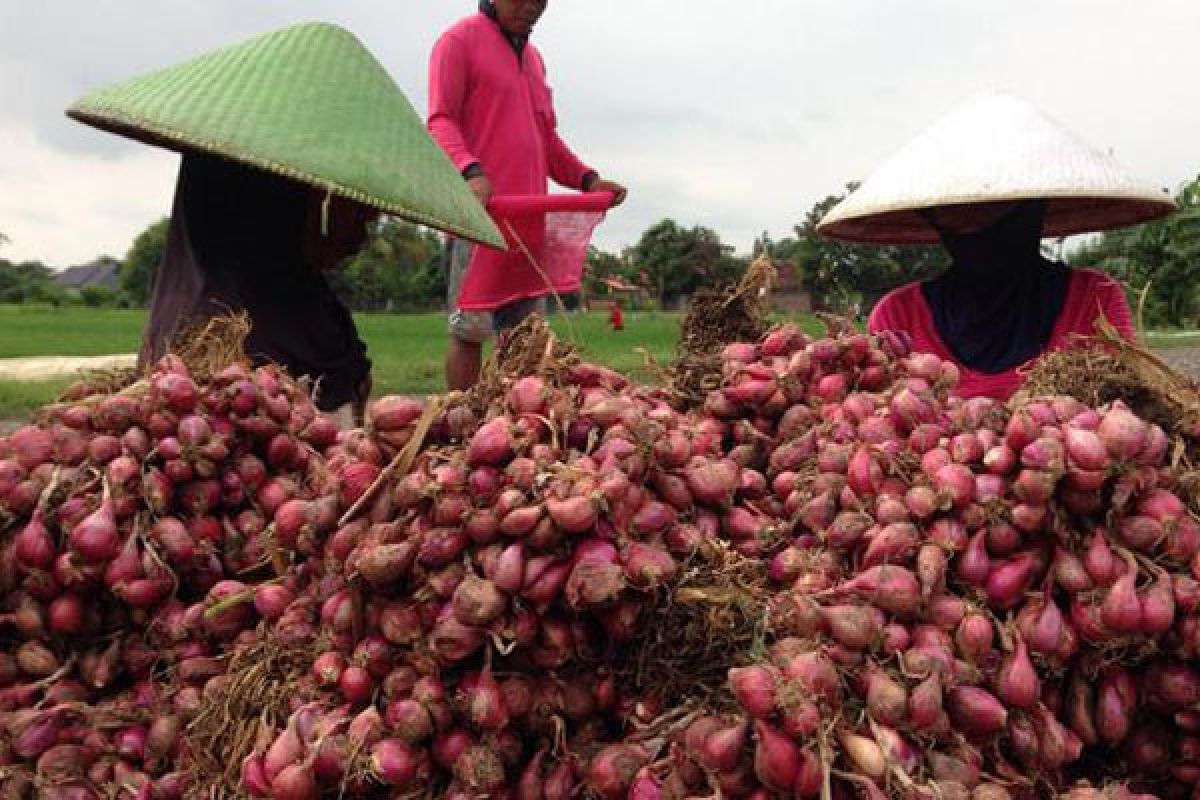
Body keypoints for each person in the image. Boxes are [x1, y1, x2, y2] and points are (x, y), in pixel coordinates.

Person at [66, 22, 503, 425]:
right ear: (279, 203)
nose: (365, 231)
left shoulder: (313, 316)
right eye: (349, 204)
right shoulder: (215, 357)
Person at [817, 93, 1176, 400]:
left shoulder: (1094, 300)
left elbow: (1132, 414)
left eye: (1000, 221)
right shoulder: (898, 320)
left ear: (1037, 210)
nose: (983, 240)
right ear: (935, 221)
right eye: (962, 223)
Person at [429, 0, 628, 390]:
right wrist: (470, 170)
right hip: (482, 222)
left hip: (529, 226)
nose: (531, 7)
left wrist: (588, 180)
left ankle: (515, 430)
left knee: (526, 340)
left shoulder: (534, 60)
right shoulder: (458, 41)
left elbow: (547, 142)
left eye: (540, 0)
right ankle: (463, 429)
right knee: (469, 331)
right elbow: (440, 120)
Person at [140, 152, 376, 427]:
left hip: (174, 333)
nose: (360, 236)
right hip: (279, 341)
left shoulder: (212, 125)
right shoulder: (310, 128)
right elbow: (334, 239)